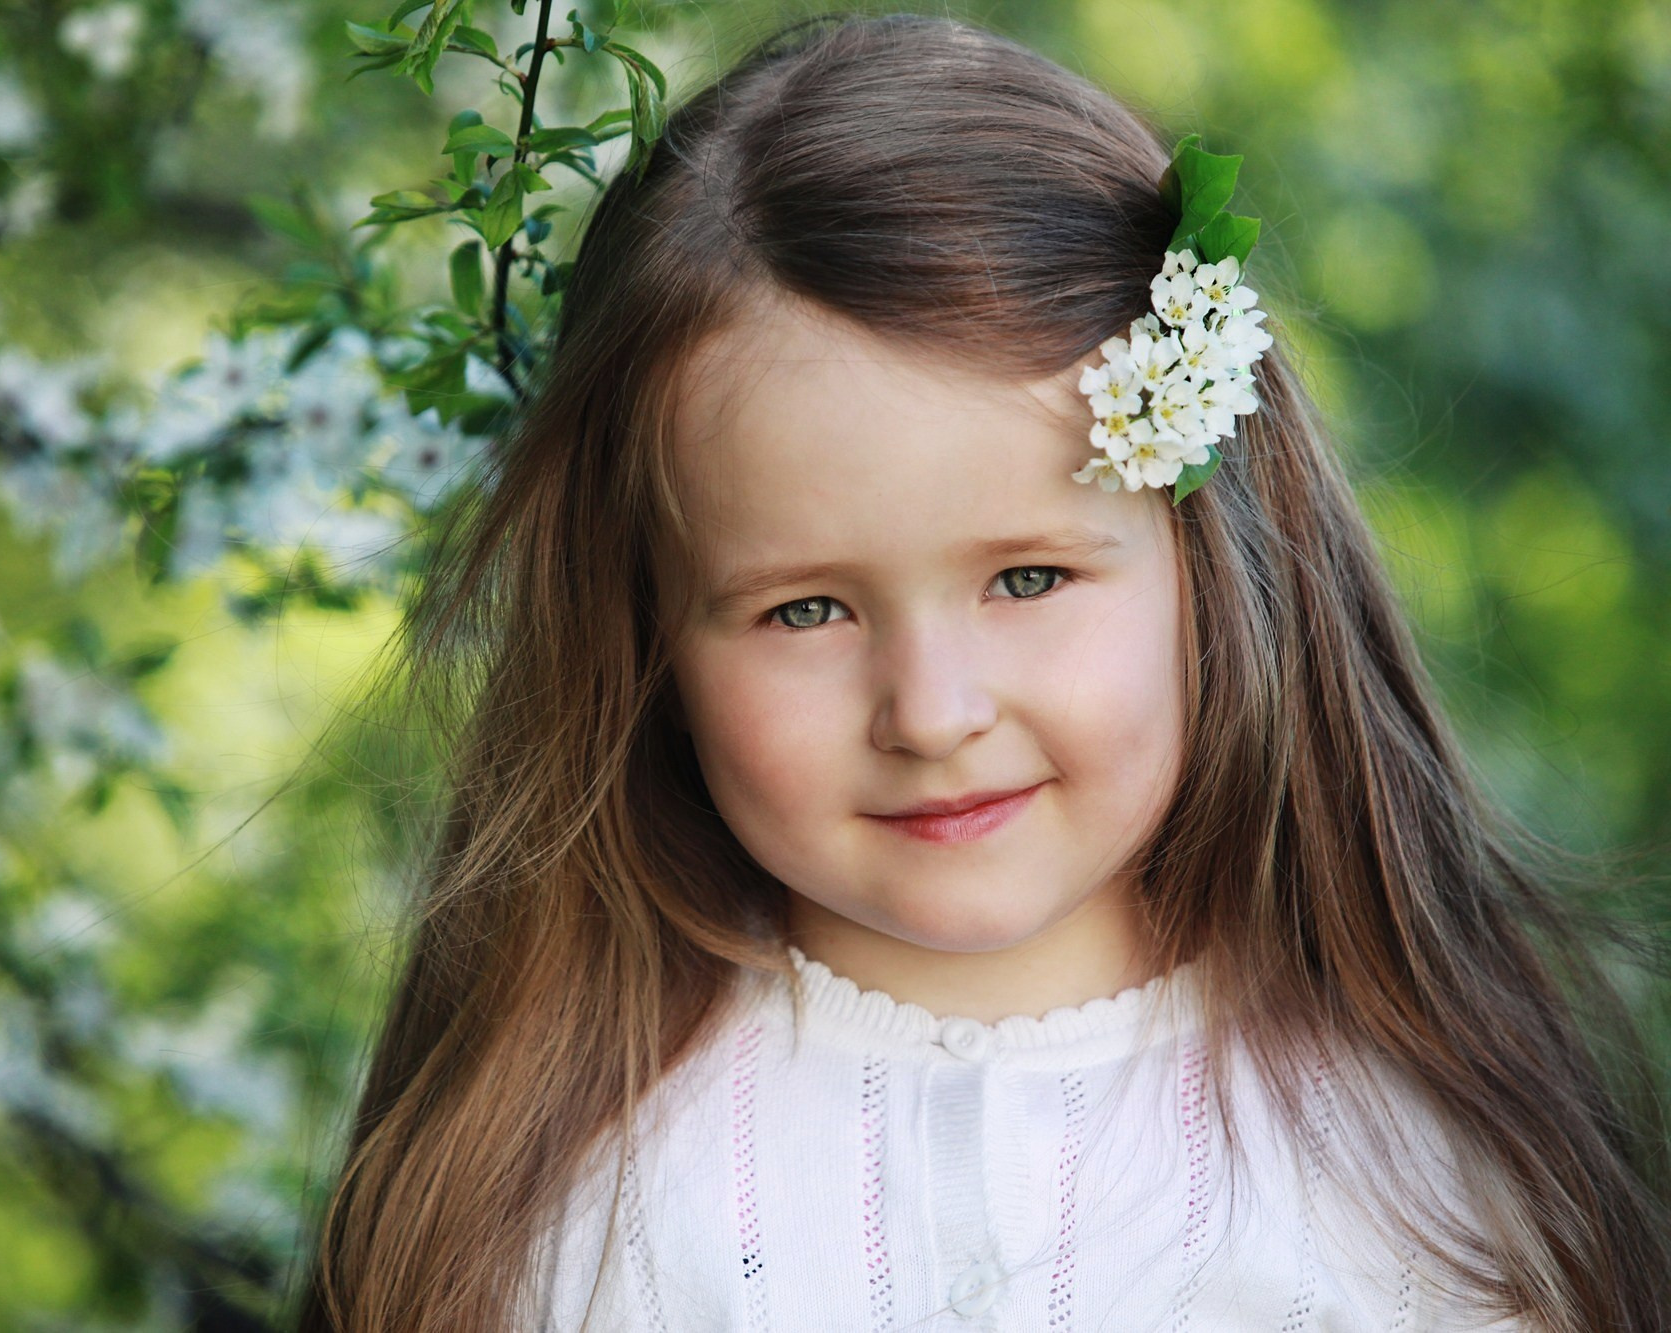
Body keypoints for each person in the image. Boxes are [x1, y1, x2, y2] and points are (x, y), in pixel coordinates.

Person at [292, 13, 1671, 1331]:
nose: (934, 712)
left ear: (1212, 561)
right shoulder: (553, 1205)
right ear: (644, 636)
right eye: (807, 609)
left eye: (1027, 578)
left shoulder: (1432, 1187)